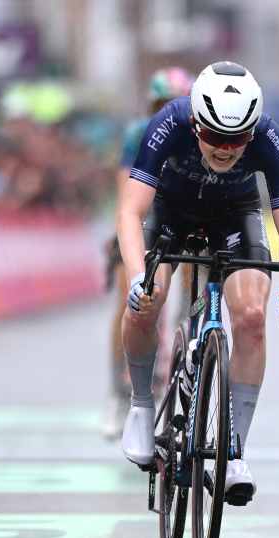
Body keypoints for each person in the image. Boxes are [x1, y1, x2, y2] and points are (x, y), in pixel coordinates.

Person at [117, 61, 279, 506]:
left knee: (251, 318)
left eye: (237, 140)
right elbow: (130, 212)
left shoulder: (271, 138)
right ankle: (143, 404)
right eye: (216, 139)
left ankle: (235, 451)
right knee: (149, 299)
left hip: (234, 215)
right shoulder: (168, 123)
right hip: (170, 210)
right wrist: (135, 277)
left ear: (252, 129)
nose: (225, 151)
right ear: (196, 122)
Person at [103, 66, 194, 440]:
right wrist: (122, 236)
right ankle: (116, 392)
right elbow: (127, 192)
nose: (167, 111)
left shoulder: (198, 135)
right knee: (131, 294)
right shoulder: (139, 134)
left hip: (185, 215)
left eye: (176, 103)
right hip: (148, 217)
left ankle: (188, 351)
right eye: (161, 104)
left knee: (193, 280)